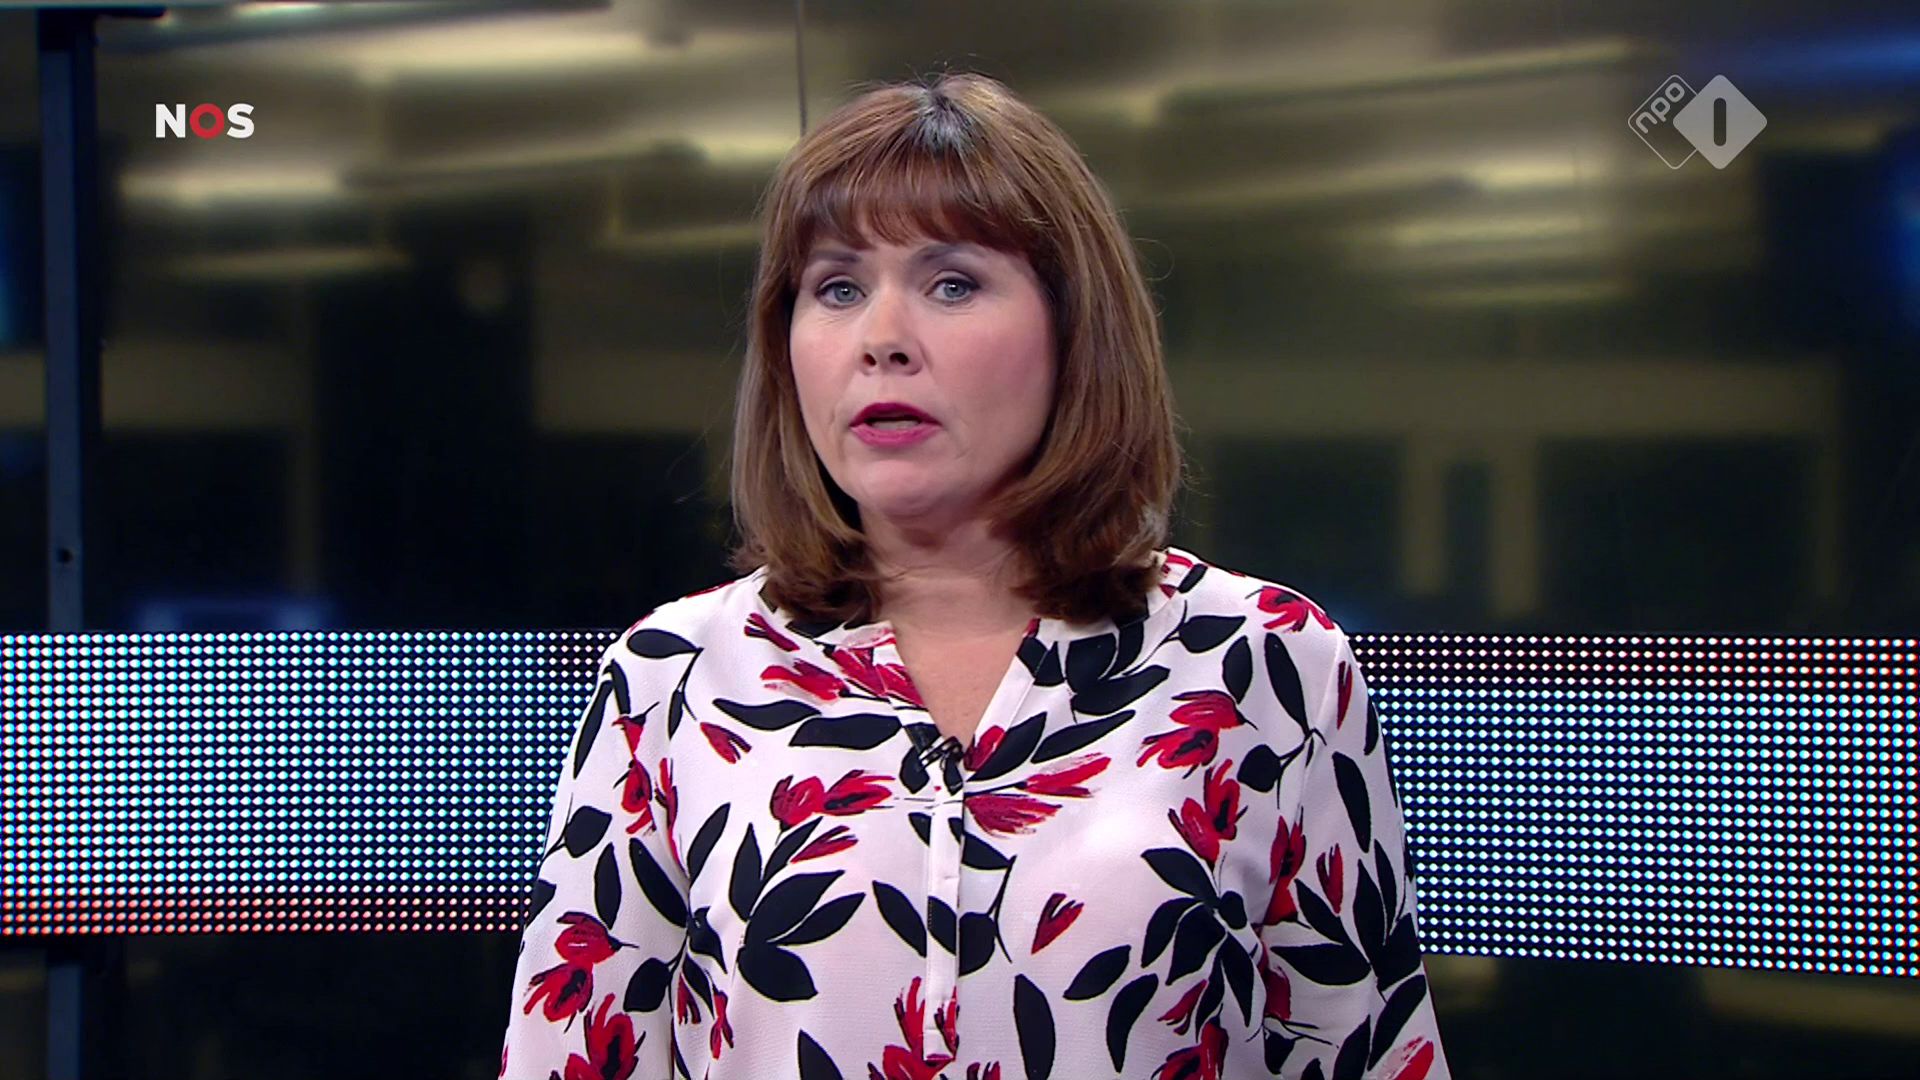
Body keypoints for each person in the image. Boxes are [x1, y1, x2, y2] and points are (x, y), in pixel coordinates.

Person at [500, 71, 1451, 1080]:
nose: (882, 341)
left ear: (1073, 331)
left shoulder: (1266, 664)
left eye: (952, 284)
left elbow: (1367, 1049)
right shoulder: (674, 677)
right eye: (837, 288)